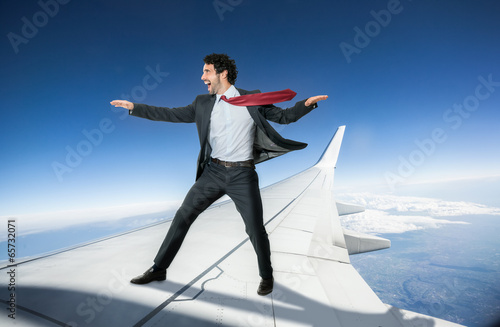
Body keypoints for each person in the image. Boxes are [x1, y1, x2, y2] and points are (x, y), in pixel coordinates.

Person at [110, 53, 328, 295]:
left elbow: (284, 117)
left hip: (242, 174)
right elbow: (171, 114)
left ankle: (266, 276)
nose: (202, 77)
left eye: (207, 72)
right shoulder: (202, 103)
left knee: (255, 228)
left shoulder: (252, 99)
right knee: (183, 216)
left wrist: (306, 105)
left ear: (222, 74)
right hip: (212, 172)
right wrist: (134, 108)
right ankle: (159, 268)